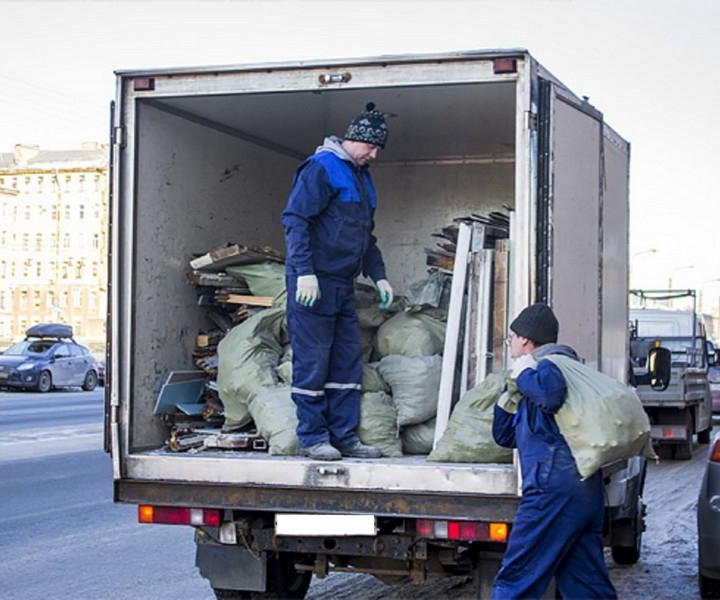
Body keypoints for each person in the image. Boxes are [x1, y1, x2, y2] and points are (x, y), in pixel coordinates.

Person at [281, 103, 394, 461]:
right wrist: (305, 272)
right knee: (313, 360)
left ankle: (344, 436)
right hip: (313, 284)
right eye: (372, 147)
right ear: (357, 139)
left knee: (347, 360)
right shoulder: (321, 168)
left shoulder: (362, 176)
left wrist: (380, 275)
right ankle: (313, 437)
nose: (374, 155)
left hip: (342, 284)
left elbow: (367, 235)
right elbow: (295, 221)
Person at [490, 303, 617, 600]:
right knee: (586, 583)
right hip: (584, 491)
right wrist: (507, 397)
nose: (509, 344)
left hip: (552, 491)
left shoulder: (553, 365)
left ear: (526, 339)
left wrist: (522, 374)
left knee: (518, 577)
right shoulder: (537, 375)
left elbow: (549, 395)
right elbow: (505, 436)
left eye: (511, 337)